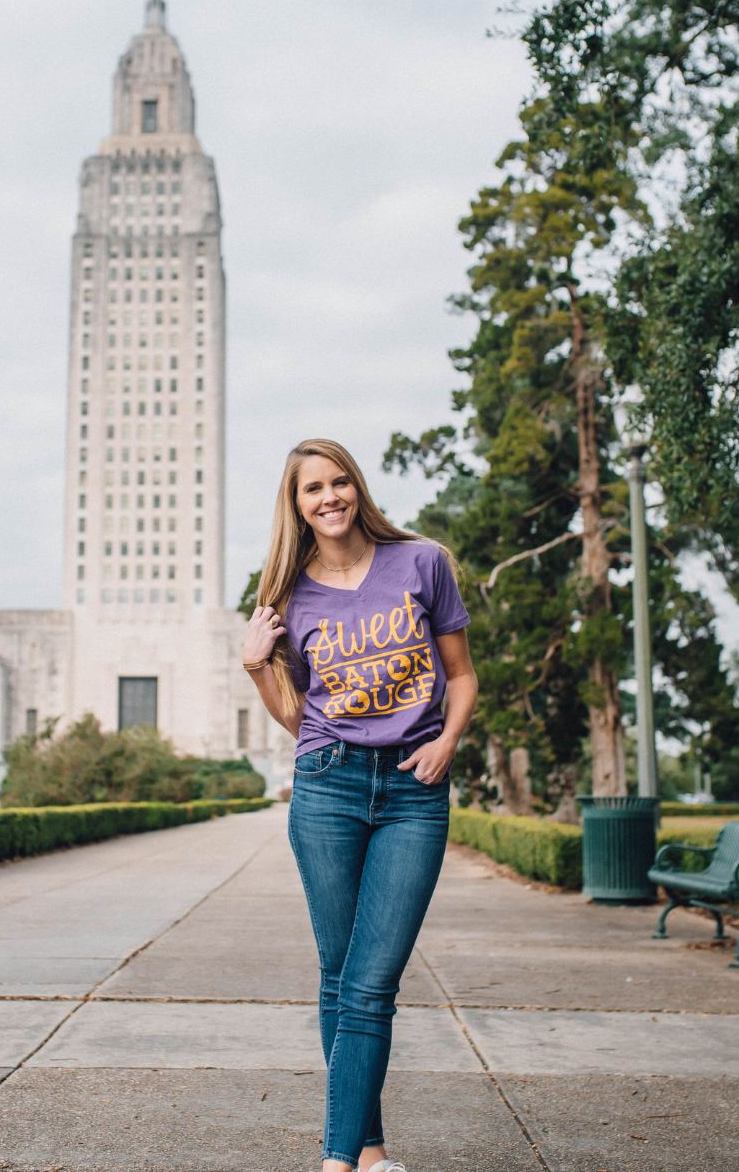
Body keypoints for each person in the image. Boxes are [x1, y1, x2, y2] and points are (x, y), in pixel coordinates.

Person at [242, 439, 477, 1172]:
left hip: (415, 790)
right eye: (312, 488)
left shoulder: (422, 562)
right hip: (328, 786)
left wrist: (448, 742)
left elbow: (461, 675)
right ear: (297, 505)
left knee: (372, 982)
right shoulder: (287, 596)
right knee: (340, 976)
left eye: (339, 481)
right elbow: (302, 714)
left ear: (358, 488)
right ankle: (366, 1154)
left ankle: (335, 1162)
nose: (329, 497)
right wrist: (256, 668)